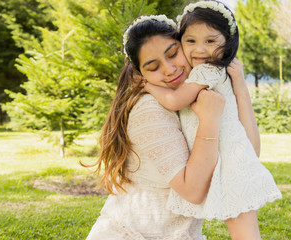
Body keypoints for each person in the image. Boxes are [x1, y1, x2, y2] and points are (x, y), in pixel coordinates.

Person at [143, 1, 282, 239]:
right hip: (228, 161)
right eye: (191, 41)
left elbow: (175, 101)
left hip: (231, 164)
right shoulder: (207, 73)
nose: (200, 50)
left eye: (210, 41)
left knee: (245, 234)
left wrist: (147, 85)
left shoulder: (208, 71)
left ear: (227, 42)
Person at [84, 15, 226, 239]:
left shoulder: (190, 98)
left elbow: (250, 153)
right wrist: (210, 121)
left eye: (172, 53)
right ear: (141, 75)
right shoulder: (149, 108)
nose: (169, 69)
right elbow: (192, 191)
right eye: (153, 67)